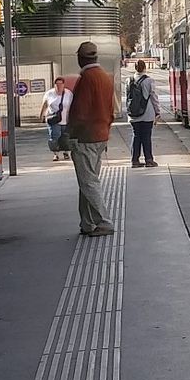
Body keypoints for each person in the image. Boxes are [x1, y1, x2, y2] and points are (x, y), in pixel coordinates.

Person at [65, 41, 115, 236]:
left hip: (86, 137)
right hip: (101, 135)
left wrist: (69, 133)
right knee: (87, 180)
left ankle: (104, 222)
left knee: (88, 182)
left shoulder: (87, 78)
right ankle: (87, 223)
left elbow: (81, 112)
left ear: (80, 58)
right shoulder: (104, 77)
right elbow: (111, 109)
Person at [127, 59, 161, 168]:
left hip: (133, 114)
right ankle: (149, 160)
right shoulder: (149, 81)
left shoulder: (129, 80)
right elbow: (154, 97)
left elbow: (128, 98)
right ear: (145, 68)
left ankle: (135, 160)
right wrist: (157, 112)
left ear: (135, 68)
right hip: (147, 114)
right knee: (146, 136)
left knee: (136, 136)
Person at [39, 77, 72, 159]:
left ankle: (66, 152)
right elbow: (44, 105)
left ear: (63, 85)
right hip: (54, 119)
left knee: (65, 137)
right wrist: (41, 115)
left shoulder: (68, 94)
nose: (59, 86)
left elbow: (72, 106)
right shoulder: (49, 93)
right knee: (54, 137)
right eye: (57, 84)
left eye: (61, 84)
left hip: (66, 119)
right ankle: (55, 154)